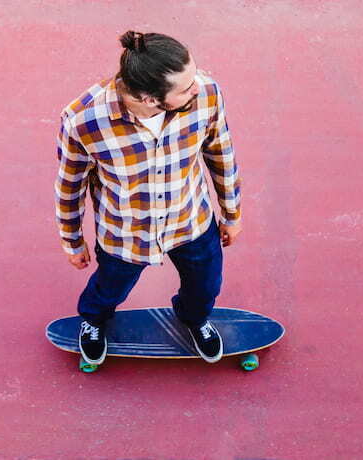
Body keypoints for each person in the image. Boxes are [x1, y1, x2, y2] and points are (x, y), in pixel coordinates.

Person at [54, 30, 242, 366]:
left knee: (205, 288)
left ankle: (193, 319)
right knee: (109, 289)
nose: (197, 86)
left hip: (191, 221)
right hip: (125, 232)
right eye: (186, 88)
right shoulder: (83, 121)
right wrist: (73, 241)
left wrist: (232, 213)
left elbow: (221, 153)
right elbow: (70, 186)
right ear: (149, 98)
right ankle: (94, 320)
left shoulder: (207, 94)